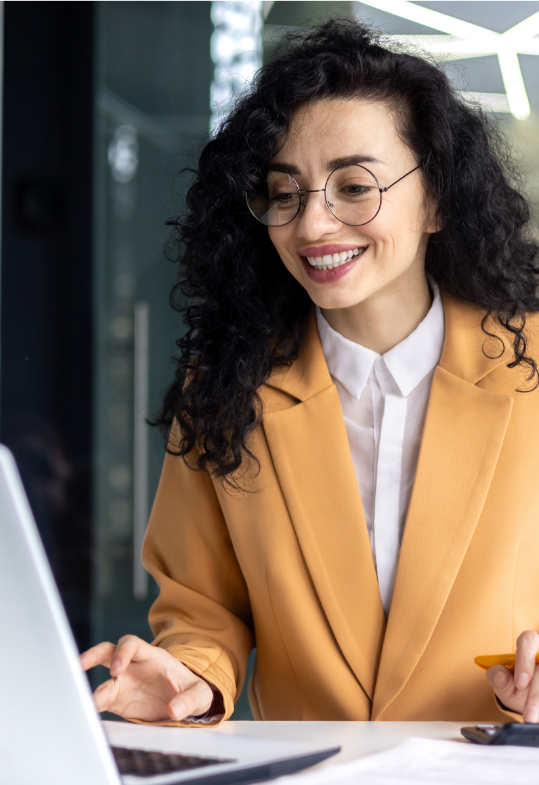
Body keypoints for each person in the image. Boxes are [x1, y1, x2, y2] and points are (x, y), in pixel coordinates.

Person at [82, 20, 539, 726]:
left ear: (438, 200)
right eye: (284, 192)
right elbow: (202, 608)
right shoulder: (225, 389)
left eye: (353, 186)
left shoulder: (529, 366)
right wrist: (193, 679)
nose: (313, 225)